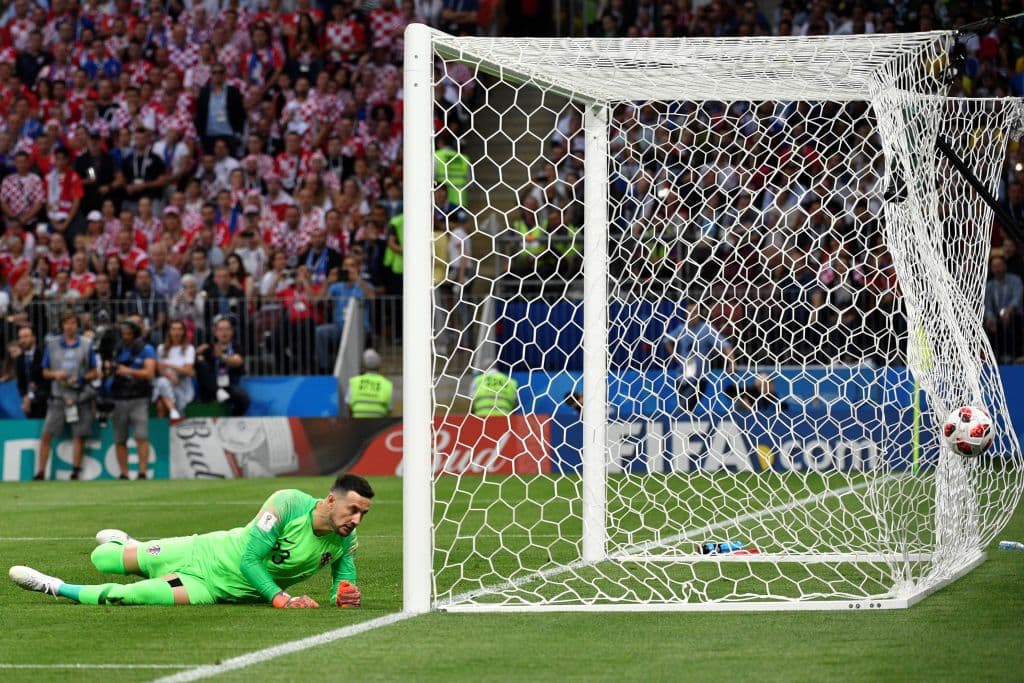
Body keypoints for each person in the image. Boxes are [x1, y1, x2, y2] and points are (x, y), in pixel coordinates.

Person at [9, 474, 373, 608]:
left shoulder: (346, 540)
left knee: (127, 595)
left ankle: (54, 587)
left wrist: (344, 595)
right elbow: (249, 561)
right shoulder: (288, 503)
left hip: (209, 587)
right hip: (203, 551)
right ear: (330, 499)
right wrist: (281, 598)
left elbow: (342, 586)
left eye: (362, 514)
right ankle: (132, 545)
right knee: (102, 557)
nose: (355, 519)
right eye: (352, 509)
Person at [37, 310, 99, 481]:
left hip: (80, 396)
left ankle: (75, 472)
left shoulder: (86, 344)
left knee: (79, 435)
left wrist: (81, 378)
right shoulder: (52, 345)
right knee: (46, 434)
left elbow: (95, 372)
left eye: (72, 323)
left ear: (77, 326)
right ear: (62, 325)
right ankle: (40, 472)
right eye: (66, 323)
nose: (69, 326)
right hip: (58, 396)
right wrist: (57, 374)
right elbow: (44, 372)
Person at [662, 302, 736, 412]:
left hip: (699, 379)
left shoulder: (706, 329)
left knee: (684, 409)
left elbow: (724, 345)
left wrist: (732, 362)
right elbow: (666, 340)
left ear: (699, 314)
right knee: (686, 410)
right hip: (682, 377)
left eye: (694, 312)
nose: (691, 315)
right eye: (689, 312)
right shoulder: (682, 328)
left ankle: (680, 424)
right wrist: (675, 356)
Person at [107, 318, 157, 480]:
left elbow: (149, 373)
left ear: (135, 334)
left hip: (139, 397)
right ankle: (124, 473)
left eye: (128, 333)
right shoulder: (118, 348)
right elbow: (112, 369)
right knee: (119, 438)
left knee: (141, 437)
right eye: (123, 333)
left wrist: (128, 371)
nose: (125, 336)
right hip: (119, 397)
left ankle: (142, 472)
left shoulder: (146, 349)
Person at [195, 316, 250, 416]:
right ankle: (217, 391)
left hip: (228, 386)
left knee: (244, 398)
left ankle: (234, 421)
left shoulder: (236, 347)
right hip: (211, 387)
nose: (224, 333)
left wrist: (222, 357)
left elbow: (238, 361)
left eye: (227, 329)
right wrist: (196, 352)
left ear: (232, 332)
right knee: (200, 364)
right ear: (215, 332)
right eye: (220, 329)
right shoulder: (208, 348)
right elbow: (195, 365)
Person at [153, 320, 196, 420]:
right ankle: (173, 411)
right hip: (165, 381)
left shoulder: (189, 348)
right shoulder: (161, 348)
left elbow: (188, 371)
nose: (176, 332)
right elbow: (159, 369)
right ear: (169, 332)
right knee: (162, 383)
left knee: (162, 402)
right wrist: (170, 376)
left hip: (181, 383)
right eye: (173, 329)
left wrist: (168, 365)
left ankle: (176, 413)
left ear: (183, 332)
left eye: (179, 329)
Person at [346, 349, 393, 418]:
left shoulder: (354, 382)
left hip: (357, 423)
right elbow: (389, 411)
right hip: (379, 424)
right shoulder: (387, 384)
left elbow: (348, 406)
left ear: (364, 366)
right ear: (379, 366)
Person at [14, 324, 48, 419]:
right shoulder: (19, 359)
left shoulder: (43, 355)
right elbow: (21, 383)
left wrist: (32, 397)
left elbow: (46, 382)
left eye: (26, 337)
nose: (23, 340)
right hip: (28, 405)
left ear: (33, 338)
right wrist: (25, 397)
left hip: (44, 403)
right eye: (20, 337)